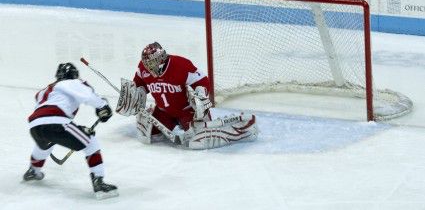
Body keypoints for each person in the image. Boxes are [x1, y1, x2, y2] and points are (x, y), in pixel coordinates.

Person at [115, 42, 258, 149]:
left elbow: (202, 81)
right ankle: (165, 118)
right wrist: (133, 96)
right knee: (148, 136)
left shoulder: (181, 65)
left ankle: (241, 131)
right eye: (146, 63)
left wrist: (201, 95)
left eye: (151, 63)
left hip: (187, 111)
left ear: (161, 60)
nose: (147, 67)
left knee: (197, 141)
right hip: (164, 111)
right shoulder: (143, 67)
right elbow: (140, 84)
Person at [23, 62, 118, 200]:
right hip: (57, 122)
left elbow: (46, 108)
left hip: (35, 126)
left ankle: (33, 170)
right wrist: (103, 106)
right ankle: (99, 182)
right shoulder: (72, 82)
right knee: (90, 141)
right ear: (73, 75)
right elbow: (88, 96)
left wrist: (78, 129)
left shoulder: (46, 90)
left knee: (46, 142)